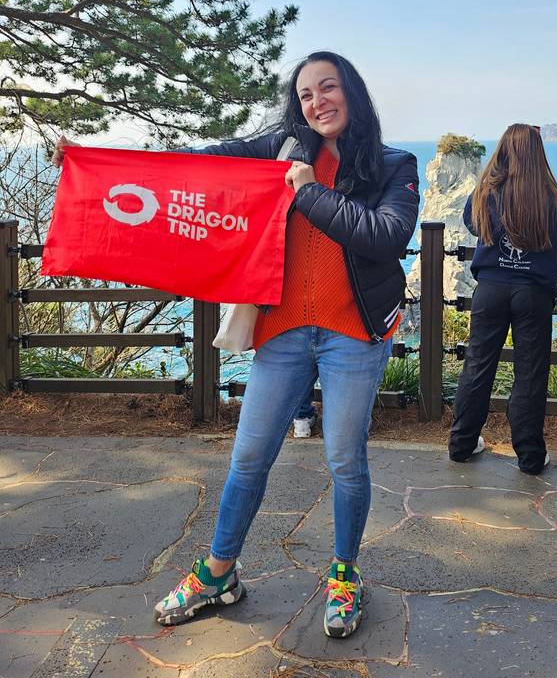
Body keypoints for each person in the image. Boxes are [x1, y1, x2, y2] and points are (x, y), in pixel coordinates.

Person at [55, 51, 419, 638]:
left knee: (345, 460)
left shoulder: (393, 165)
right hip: (281, 332)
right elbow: (197, 165)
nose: (318, 101)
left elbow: (386, 236)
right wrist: (99, 163)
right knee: (248, 456)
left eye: (329, 87)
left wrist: (306, 194)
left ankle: (345, 575)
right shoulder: (282, 148)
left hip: (354, 334)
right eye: (305, 93)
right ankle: (219, 572)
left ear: (353, 92)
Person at [448, 124, 557, 474]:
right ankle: (530, 456)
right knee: (530, 373)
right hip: (532, 294)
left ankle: (462, 444)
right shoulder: (549, 196)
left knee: (477, 366)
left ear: (503, 149)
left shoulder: (487, 192)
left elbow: (472, 225)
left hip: (490, 289)